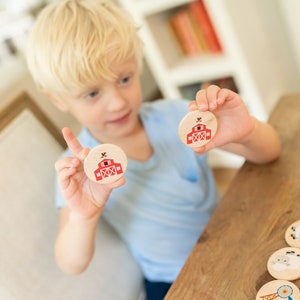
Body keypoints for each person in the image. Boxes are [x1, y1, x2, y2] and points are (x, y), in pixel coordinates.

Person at [26, 1, 281, 299]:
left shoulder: (177, 116)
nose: (118, 103)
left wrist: (248, 130)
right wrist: (83, 217)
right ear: (58, 99)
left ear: (137, 66)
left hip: (233, 242)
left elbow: (270, 153)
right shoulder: (77, 171)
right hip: (171, 281)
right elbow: (71, 262)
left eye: (124, 79)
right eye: (93, 93)